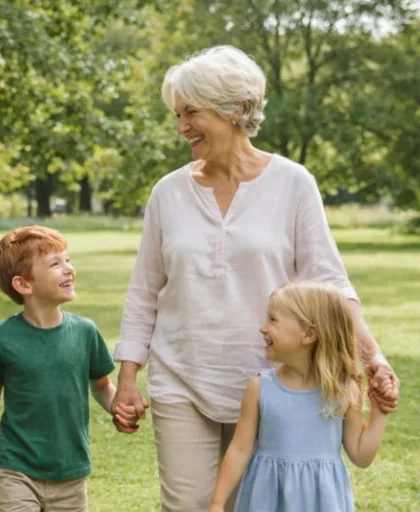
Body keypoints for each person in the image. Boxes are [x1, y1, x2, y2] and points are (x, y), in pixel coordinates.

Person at [110, 45, 399, 511]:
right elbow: (144, 293)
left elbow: (331, 284)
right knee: (187, 506)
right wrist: (128, 377)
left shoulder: (293, 183)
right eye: (177, 114)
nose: (181, 126)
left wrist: (374, 358)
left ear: (235, 110)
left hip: (273, 382)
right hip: (182, 377)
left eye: (191, 113)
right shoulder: (168, 192)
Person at [0, 225, 118, 511]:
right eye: (55, 264)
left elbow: (103, 386)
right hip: (17, 468)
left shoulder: (85, 332)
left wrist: (121, 408)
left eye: (67, 260)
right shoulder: (1, 336)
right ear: (23, 285)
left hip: (70, 470)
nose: (68, 269)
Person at [210, 282, 390, 512]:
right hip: (266, 500)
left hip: (322, 502)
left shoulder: (343, 391)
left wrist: (379, 411)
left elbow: (361, 456)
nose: (263, 328)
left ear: (308, 334)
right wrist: (217, 502)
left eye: (273, 320)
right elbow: (239, 449)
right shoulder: (259, 388)